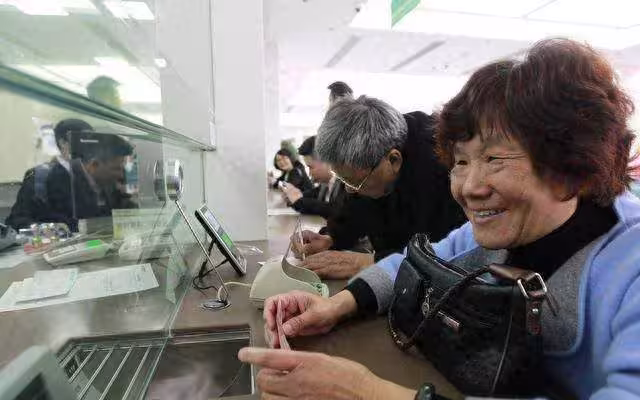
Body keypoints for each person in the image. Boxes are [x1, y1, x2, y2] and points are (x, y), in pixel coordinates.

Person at [239, 39, 640, 400]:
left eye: (494, 158)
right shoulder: (493, 233)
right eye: (461, 162)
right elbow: (416, 264)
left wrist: (366, 391)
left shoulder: (630, 266)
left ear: (570, 164)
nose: (469, 187)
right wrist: (335, 306)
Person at [294, 96, 466, 279]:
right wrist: (331, 237)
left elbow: (447, 251)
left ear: (394, 160)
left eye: (354, 182)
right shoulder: (367, 163)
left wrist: (368, 262)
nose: (349, 190)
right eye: (342, 180)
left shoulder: (443, 167)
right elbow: (355, 208)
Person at [6, 130, 136, 231]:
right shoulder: (44, 179)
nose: (121, 175)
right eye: (116, 169)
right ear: (94, 165)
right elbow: (17, 222)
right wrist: (54, 229)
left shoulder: (107, 184)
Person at [5, 118, 92, 229]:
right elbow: (17, 220)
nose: (90, 148)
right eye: (83, 141)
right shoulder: (39, 176)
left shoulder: (95, 174)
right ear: (63, 143)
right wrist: (49, 227)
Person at [282, 136, 346, 219]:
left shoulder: (347, 184)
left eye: (311, 167)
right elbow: (313, 195)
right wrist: (295, 197)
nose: (309, 173)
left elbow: (335, 210)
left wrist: (299, 201)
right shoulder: (326, 184)